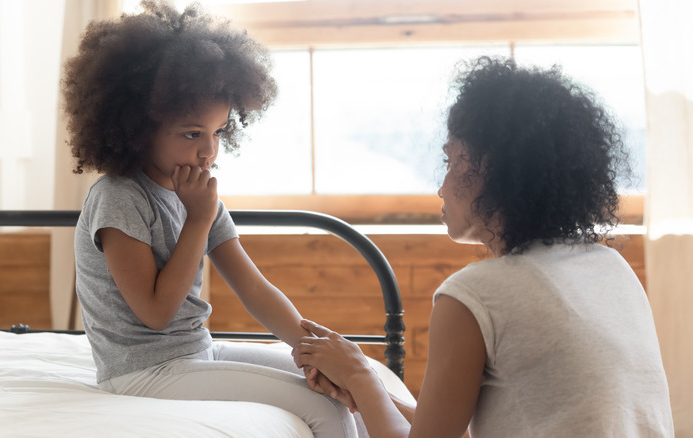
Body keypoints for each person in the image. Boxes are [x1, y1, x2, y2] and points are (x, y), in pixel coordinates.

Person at [292, 56, 674, 437]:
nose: (441, 187)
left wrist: (360, 374)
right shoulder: (611, 267)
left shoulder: (476, 294)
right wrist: (365, 390)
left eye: (452, 161)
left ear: (492, 169)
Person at [62, 2, 359, 436]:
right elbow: (156, 313)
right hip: (140, 372)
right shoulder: (118, 198)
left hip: (196, 352)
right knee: (327, 410)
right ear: (140, 128)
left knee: (344, 386)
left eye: (218, 132)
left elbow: (254, 288)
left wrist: (314, 349)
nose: (209, 151)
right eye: (192, 133)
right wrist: (197, 221)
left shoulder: (198, 196)